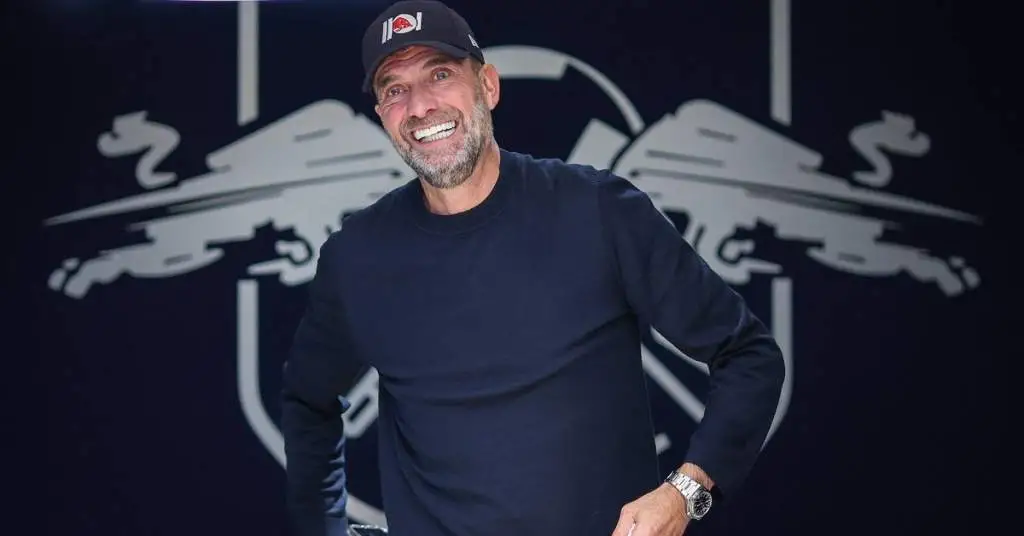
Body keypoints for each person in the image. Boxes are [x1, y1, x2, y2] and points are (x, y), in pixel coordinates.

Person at [280, 1, 786, 535]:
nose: (420, 105)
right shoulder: (358, 256)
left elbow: (748, 357)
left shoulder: (597, 210)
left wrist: (684, 493)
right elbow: (308, 401)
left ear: (488, 87)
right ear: (383, 115)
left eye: (441, 75)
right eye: (394, 89)